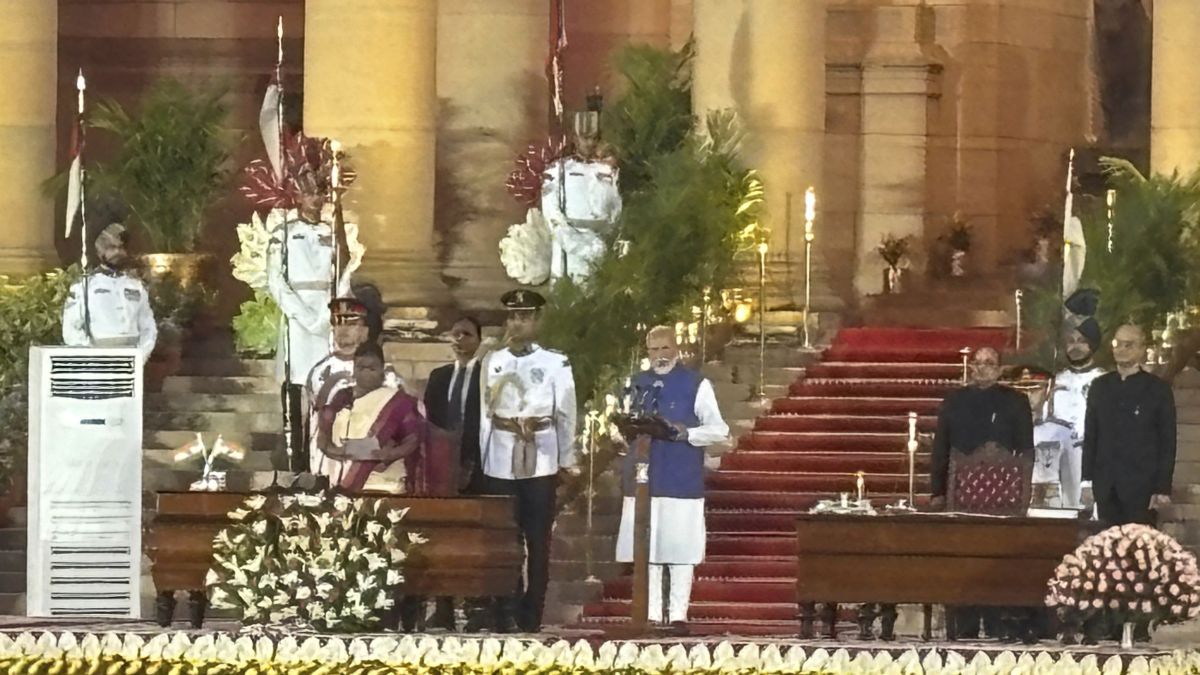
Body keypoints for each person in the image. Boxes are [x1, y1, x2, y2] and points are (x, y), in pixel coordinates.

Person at [615, 325, 728, 635]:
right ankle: (650, 613)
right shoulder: (636, 384)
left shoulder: (695, 384)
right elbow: (619, 428)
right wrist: (619, 432)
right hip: (643, 477)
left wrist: (684, 433)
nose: (660, 355)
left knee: (680, 549)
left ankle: (678, 615)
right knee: (647, 548)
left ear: (677, 349)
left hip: (680, 478)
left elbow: (719, 429)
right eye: (654, 349)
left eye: (665, 348)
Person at [478, 289, 577, 633]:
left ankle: (532, 609)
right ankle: (505, 605)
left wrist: (567, 457)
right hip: (501, 456)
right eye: (512, 316)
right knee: (504, 537)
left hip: (541, 455)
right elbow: (484, 415)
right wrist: (483, 457)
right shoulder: (493, 360)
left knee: (537, 538)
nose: (517, 323)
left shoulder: (555, 362)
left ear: (536, 320)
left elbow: (566, 412)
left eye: (524, 316)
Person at [929, 346, 1033, 641]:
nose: (983, 368)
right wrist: (937, 491)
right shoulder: (954, 401)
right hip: (961, 499)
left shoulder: (1015, 401)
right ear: (970, 368)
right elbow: (941, 449)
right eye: (978, 363)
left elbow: (1026, 452)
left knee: (998, 566)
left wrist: (1023, 494)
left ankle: (1001, 625)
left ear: (1000, 369)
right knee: (965, 564)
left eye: (989, 363)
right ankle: (964, 626)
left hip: (1003, 504)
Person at [265, 170, 358, 472]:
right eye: (309, 193)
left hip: (326, 316)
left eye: (320, 193)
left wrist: (331, 312)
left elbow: (343, 273)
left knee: (326, 388)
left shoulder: (332, 231)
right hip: (297, 319)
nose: (316, 199)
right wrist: (304, 316)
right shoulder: (285, 231)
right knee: (295, 386)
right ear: (298, 196)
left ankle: (323, 458)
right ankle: (296, 461)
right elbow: (276, 280)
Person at [421, 316, 486, 631]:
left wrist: (469, 459)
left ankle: (476, 607)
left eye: (467, 334)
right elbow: (430, 424)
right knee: (442, 535)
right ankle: (443, 606)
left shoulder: (487, 377)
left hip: (481, 467)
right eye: (455, 334)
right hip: (442, 469)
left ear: (479, 340)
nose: (459, 340)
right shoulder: (439, 377)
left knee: (475, 537)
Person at [1082, 324, 1176, 528]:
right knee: (1105, 549)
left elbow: (1167, 441)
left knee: (1139, 551)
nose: (1121, 349)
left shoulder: (1157, 390)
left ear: (1142, 349)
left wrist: (1162, 487)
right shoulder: (1100, 386)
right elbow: (1091, 436)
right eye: (1117, 344)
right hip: (1106, 484)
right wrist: (1086, 480)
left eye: (1128, 345)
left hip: (1143, 486)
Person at [307, 295, 402, 480]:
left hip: (370, 474)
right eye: (336, 323)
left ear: (369, 330)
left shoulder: (388, 379)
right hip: (324, 470)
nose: (341, 331)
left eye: (351, 324)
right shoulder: (320, 372)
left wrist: (350, 450)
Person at [315, 341, 425, 494]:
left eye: (372, 368)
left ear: (382, 370)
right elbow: (323, 435)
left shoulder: (396, 402)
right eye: (361, 367)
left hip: (384, 484)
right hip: (341, 481)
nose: (366, 372)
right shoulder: (342, 397)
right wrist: (335, 451)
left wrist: (389, 455)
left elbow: (412, 439)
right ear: (353, 369)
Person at [62, 222, 157, 365]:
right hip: (95, 364)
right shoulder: (84, 287)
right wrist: (91, 357)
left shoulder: (136, 286)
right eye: (112, 248)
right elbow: (71, 328)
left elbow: (148, 328)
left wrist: (139, 358)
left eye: (121, 248)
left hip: (130, 363)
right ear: (101, 251)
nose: (118, 253)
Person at [1053, 289, 1107, 508]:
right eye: (1071, 341)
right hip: (1060, 460)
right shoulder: (1056, 381)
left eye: (1081, 341)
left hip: (1094, 459)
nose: (1074, 347)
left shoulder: (1104, 381)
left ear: (1092, 345)